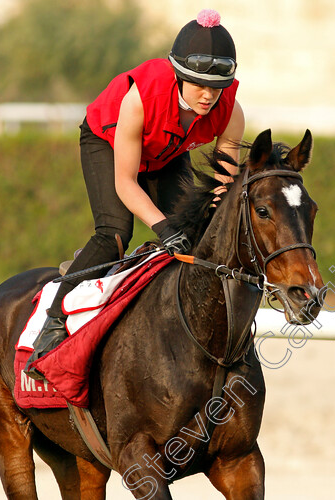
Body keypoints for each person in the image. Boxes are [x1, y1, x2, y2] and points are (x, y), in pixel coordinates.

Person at [25, 9, 244, 379]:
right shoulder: (141, 98)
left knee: (195, 235)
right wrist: (162, 228)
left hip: (167, 152)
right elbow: (126, 182)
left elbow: (225, 181)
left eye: (216, 87)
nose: (208, 96)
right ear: (178, 76)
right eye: (198, 85)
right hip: (106, 141)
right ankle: (54, 319)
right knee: (114, 234)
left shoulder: (231, 109)